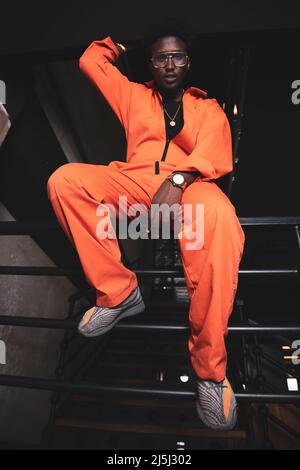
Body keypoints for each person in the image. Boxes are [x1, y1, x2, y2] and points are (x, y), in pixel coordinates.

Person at [47, 17, 245, 431]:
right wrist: (121, 45)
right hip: (136, 183)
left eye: (177, 56)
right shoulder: (133, 96)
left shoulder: (207, 108)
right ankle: (119, 293)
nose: (169, 65)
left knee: (221, 218)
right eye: (160, 58)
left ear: (188, 62)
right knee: (65, 181)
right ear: (151, 64)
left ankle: (210, 373)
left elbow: (215, 152)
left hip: (192, 184)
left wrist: (178, 178)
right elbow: (90, 60)